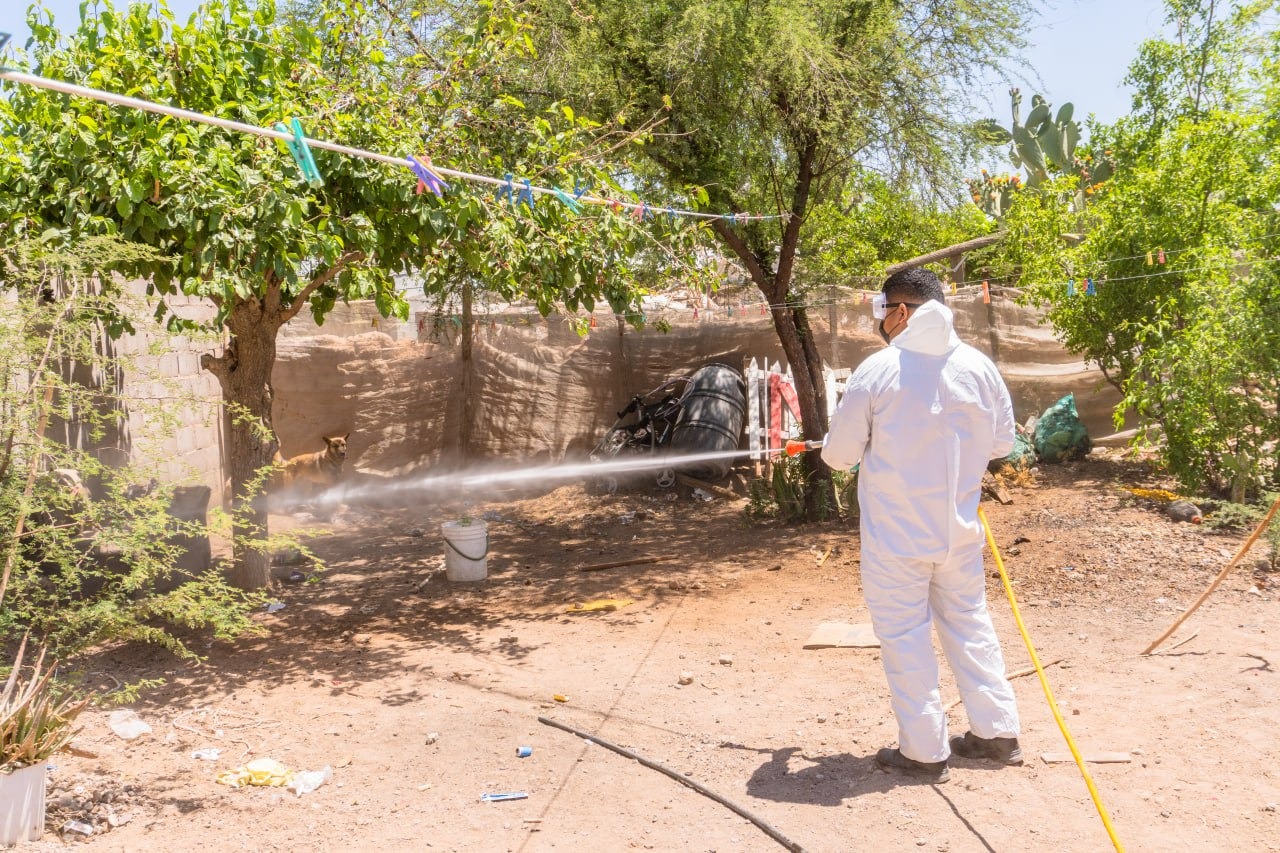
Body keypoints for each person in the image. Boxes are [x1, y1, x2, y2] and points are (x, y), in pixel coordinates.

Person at [821, 267, 1022, 785]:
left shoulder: (879, 371)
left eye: (882, 309)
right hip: (958, 533)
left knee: (905, 636)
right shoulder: (980, 367)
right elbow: (1003, 444)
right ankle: (996, 733)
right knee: (970, 625)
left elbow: (839, 456)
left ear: (902, 312)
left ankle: (924, 750)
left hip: (896, 540)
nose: (880, 321)